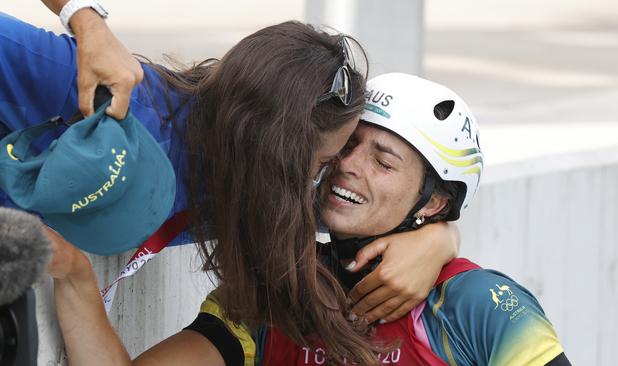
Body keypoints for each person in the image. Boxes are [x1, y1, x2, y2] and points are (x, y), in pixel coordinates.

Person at [1, 8, 460, 365]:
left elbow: (372, 207)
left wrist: (438, 238)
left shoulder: (262, 193)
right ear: (271, 153)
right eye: (319, 164)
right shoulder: (126, 107)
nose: (321, 184)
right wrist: (84, 18)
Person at [182, 73, 570, 365]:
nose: (348, 165)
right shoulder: (274, 287)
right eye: (347, 145)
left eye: (383, 162)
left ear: (433, 203)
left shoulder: (477, 304)